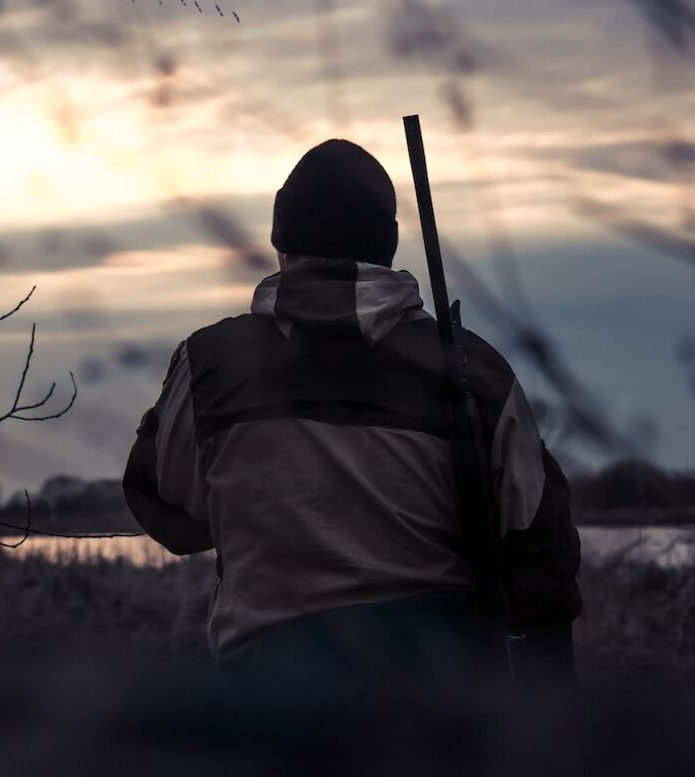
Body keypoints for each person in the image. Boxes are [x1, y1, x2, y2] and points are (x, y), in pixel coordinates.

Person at [123, 139, 581, 688]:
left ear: (281, 242)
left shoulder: (208, 365)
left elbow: (167, 510)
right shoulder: (475, 370)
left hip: (268, 702)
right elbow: (539, 550)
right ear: (387, 243)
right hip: (443, 701)